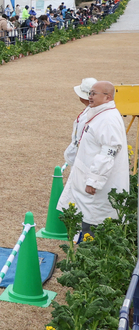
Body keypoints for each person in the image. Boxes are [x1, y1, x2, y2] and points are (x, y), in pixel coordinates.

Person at [58, 81, 129, 239]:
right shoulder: (99, 114)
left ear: (107, 97)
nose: (90, 97)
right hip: (87, 182)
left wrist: (94, 181)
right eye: (89, 93)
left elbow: (108, 153)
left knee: (95, 226)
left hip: (97, 187)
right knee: (86, 220)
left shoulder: (108, 119)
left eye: (93, 94)